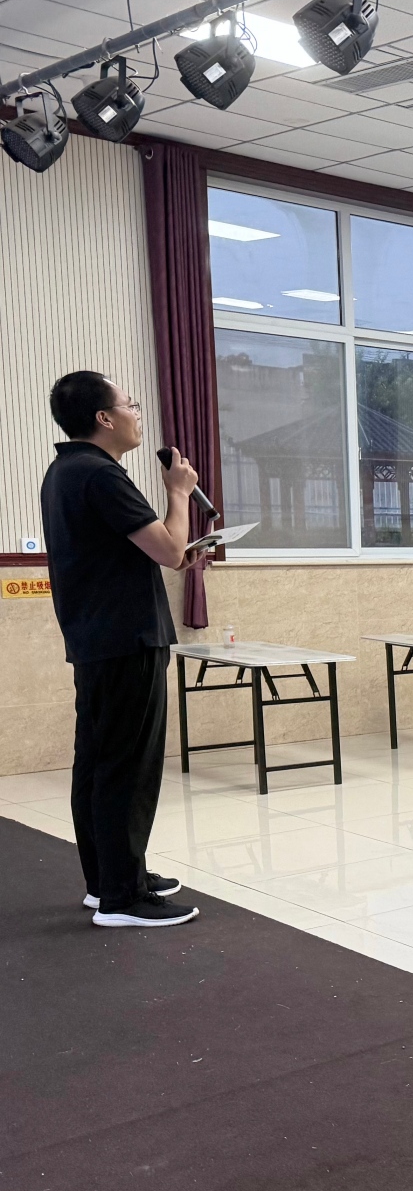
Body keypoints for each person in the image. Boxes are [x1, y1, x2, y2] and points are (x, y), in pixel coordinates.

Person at [40, 371, 196, 928]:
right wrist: (178, 492)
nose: (137, 414)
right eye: (129, 405)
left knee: (99, 763)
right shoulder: (101, 473)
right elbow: (170, 551)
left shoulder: (65, 471)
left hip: (98, 638)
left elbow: (137, 550)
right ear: (104, 418)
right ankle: (122, 899)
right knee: (127, 768)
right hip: (127, 638)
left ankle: (108, 879)